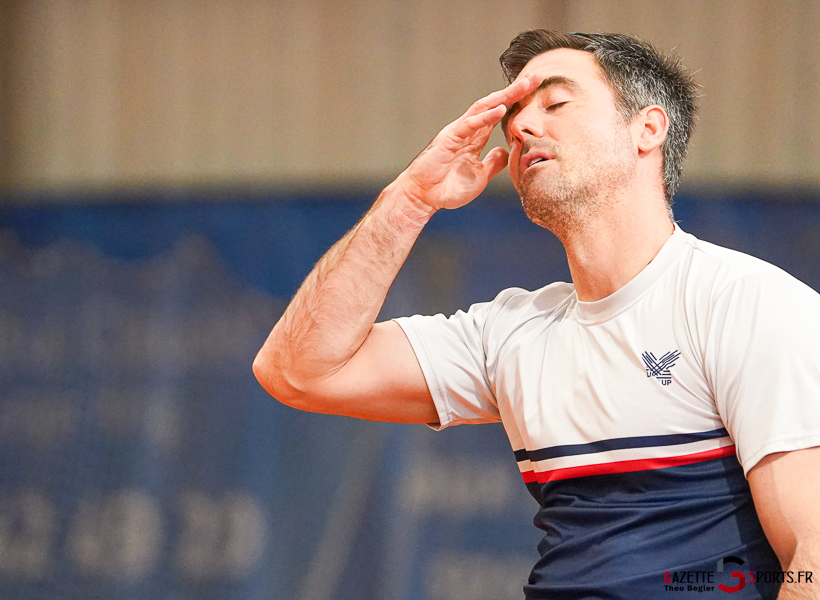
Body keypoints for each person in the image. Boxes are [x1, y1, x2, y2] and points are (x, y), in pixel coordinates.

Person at [253, 30, 820, 599]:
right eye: (514, 116)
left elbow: (811, 557)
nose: (521, 127)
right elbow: (299, 370)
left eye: (555, 103)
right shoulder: (510, 333)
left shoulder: (746, 303)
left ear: (647, 129)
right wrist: (410, 200)